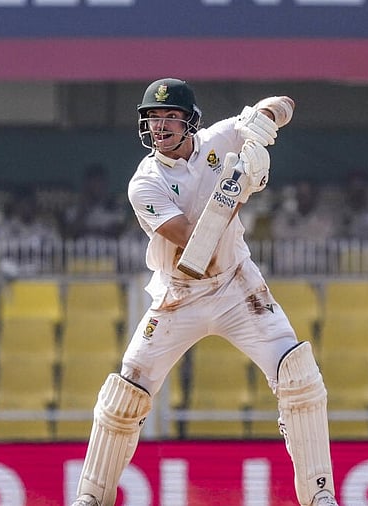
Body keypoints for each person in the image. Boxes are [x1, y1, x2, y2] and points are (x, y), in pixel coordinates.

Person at [71, 79, 341, 506]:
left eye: (169, 117)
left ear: (190, 120)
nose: (159, 126)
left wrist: (263, 123)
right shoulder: (145, 183)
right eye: (152, 118)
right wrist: (240, 183)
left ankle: (320, 496)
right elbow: (197, 249)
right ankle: (90, 496)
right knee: (128, 390)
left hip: (238, 286)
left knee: (299, 376)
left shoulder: (219, 139)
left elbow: (283, 103)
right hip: (180, 295)